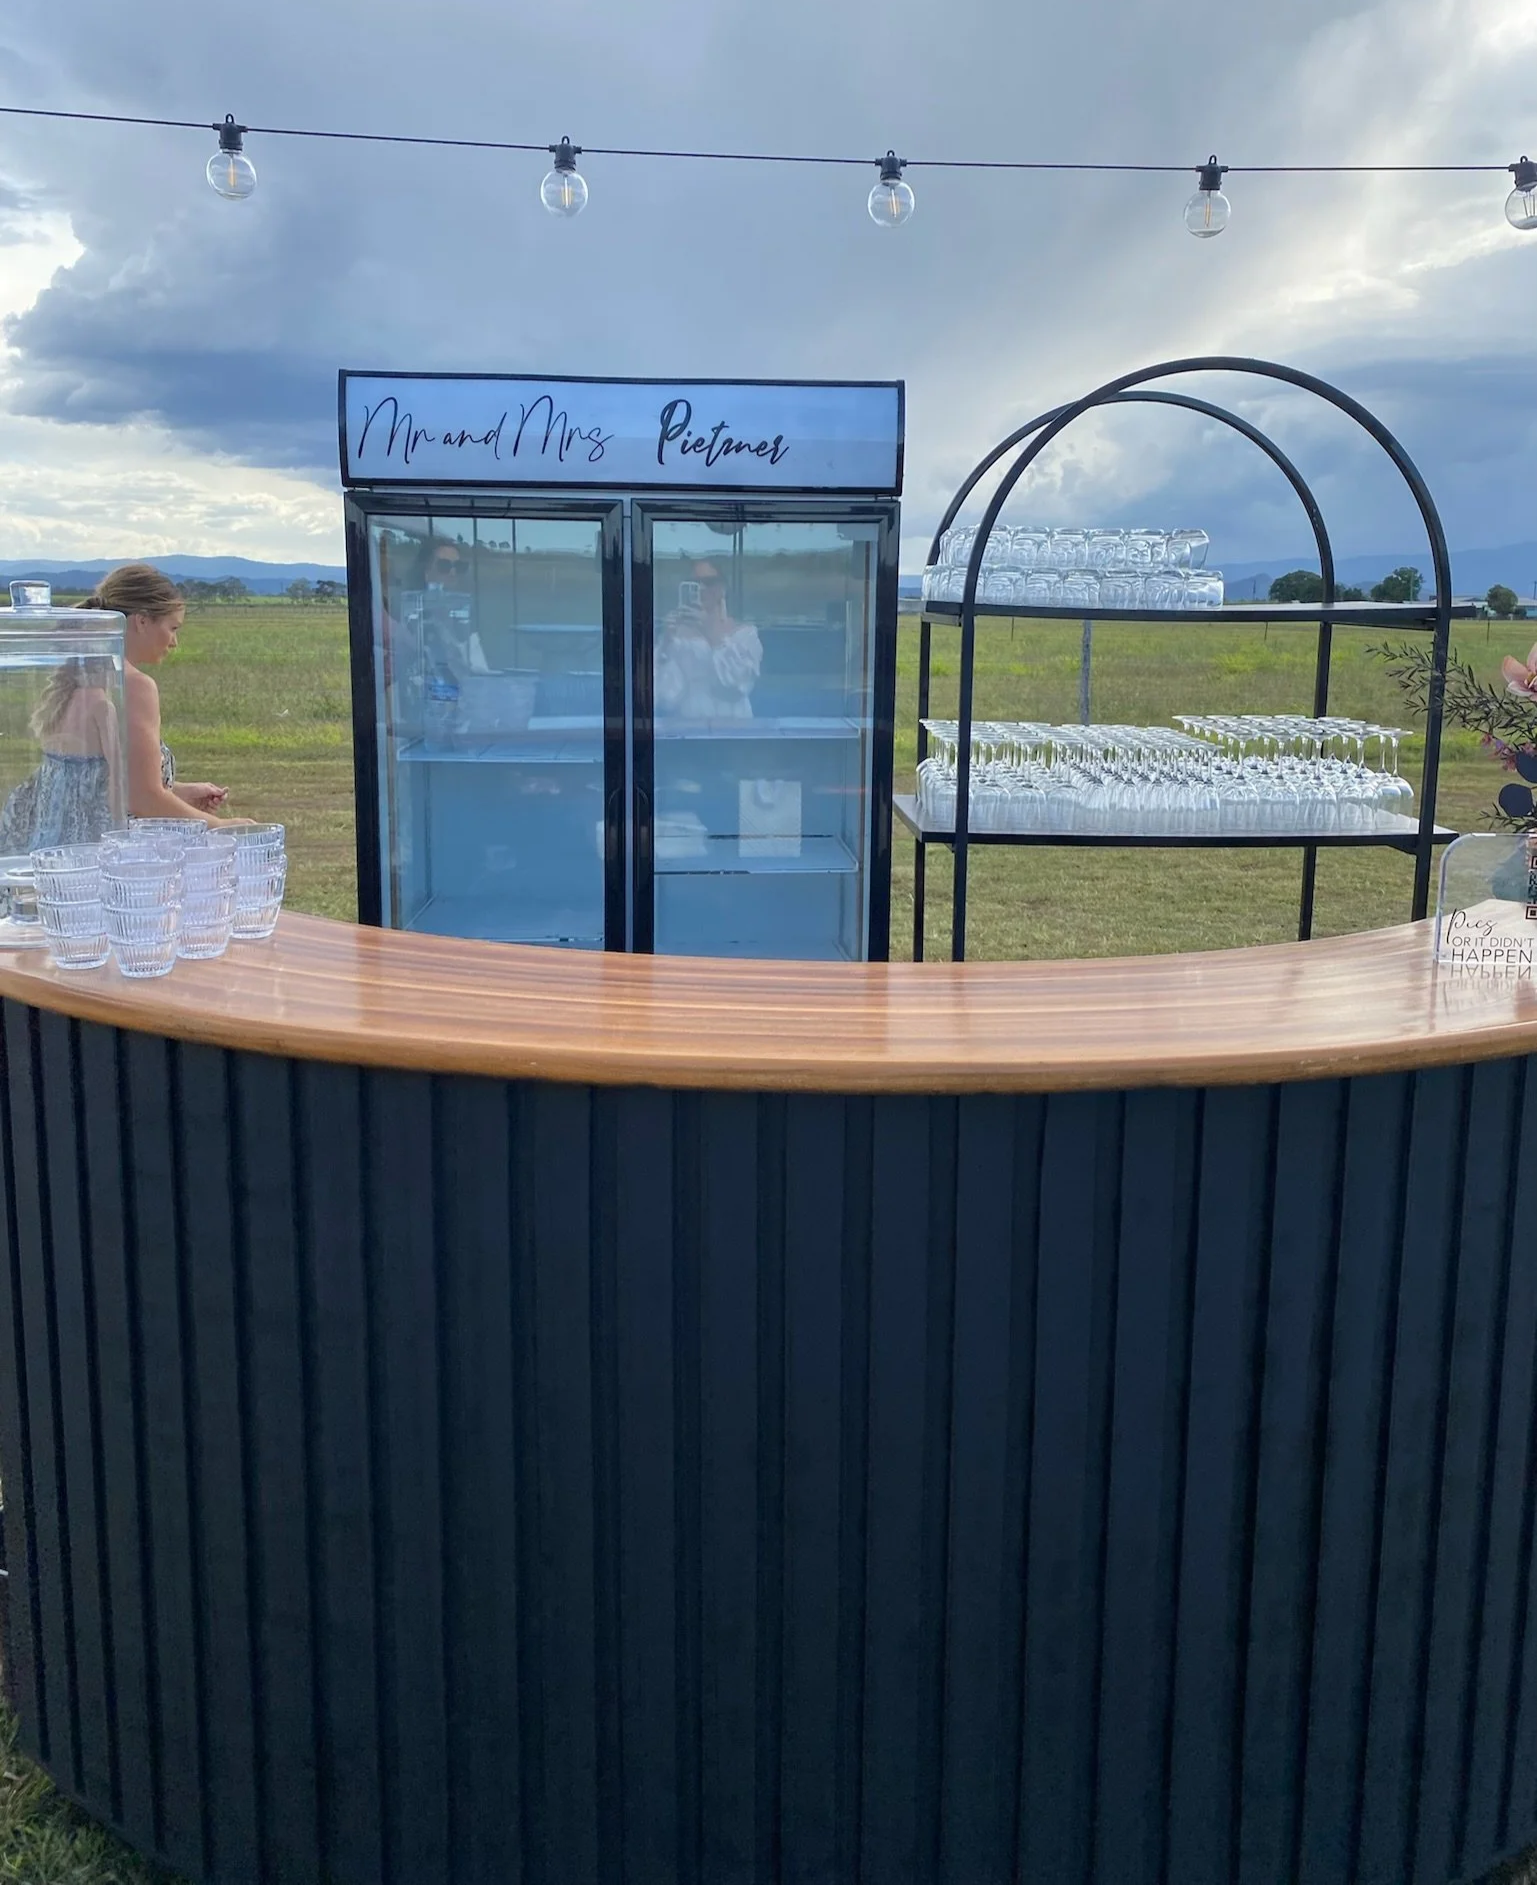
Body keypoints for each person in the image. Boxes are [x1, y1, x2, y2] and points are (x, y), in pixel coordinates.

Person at [85, 563, 232, 823]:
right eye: (173, 628)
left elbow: (98, 784)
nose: (174, 642)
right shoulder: (134, 686)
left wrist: (177, 793)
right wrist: (223, 826)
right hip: (102, 848)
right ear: (142, 621)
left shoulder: (77, 675)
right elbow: (143, 800)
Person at [0, 653, 125, 850]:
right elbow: (116, 768)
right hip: (83, 801)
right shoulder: (102, 705)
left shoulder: (60, 701)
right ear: (106, 671)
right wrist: (119, 822)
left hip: (51, 794)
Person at [654, 562, 762, 720]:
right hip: (688, 730)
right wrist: (666, 644)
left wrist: (712, 634)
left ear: (723, 588)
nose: (702, 588)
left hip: (734, 729)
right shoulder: (677, 638)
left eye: (709, 582)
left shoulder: (745, 634)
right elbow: (665, 698)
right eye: (695, 583)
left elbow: (738, 686)